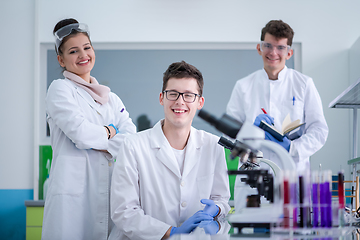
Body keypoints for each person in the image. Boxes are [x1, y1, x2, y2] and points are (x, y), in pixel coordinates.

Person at [109, 61, 231, 240]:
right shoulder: (133, 145)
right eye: (173, 94)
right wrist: (171, 232)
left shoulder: (213, 145)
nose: (180, 101)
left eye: (189, 95)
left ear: (200, 102)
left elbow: (221, 199)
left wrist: (217, 208)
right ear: (161, 98)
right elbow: (124, 212)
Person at [42, 18, 137, 240]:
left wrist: (101, 137)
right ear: (61, 59)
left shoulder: (111, 98)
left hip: (110, 193)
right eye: (73, 51)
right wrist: (111, 131)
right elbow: (82, 135)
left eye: (87, 47)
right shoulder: (60, 89)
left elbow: (130, 139)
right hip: (73, 199)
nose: (83, 55)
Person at [226, 20, 328, 172]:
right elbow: (228, 132)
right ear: (259, 48)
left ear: (289, 53)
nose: (273, 53)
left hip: (293, 172)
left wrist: (292, 148)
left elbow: (319, 130)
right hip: (253, 172)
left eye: (280, 47)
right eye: (268, 45)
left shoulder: (304, 84)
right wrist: (250, 130)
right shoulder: (243, 86)